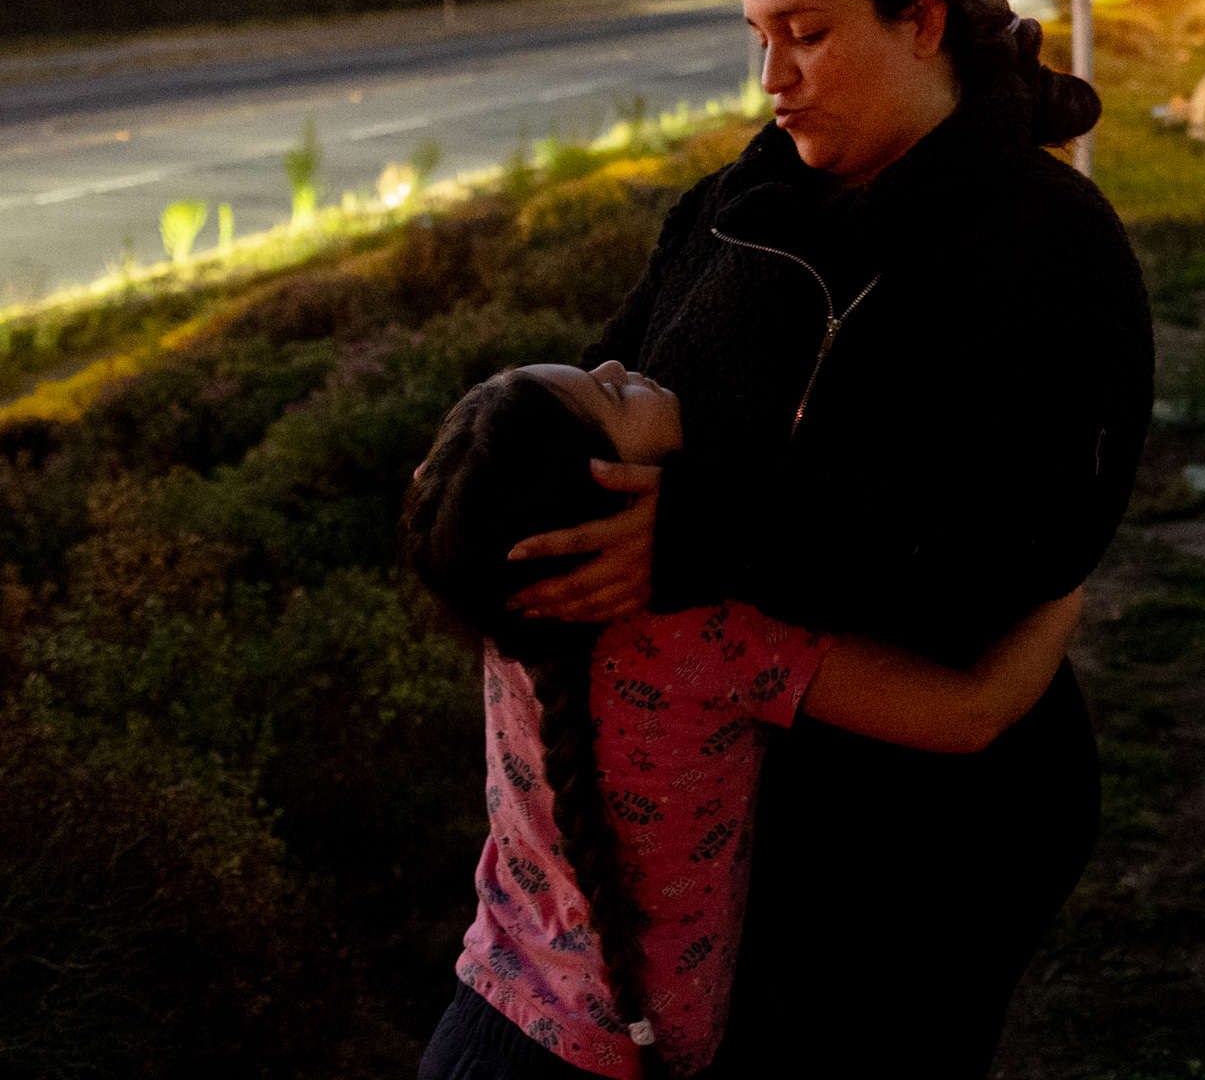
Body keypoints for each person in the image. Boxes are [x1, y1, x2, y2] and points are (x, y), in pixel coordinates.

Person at [504, 0, 1155, 1077]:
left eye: (805, 34)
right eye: (758, 37)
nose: (772, 77)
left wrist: (702, 536)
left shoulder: (1046, 238)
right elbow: (609, 378)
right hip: (717, 799)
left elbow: (1031, 531)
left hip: (929, 825)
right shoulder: (728, 206)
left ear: (922, 20)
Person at [405, 358, 1083, 1079]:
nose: (614, 361)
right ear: (610, 488)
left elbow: (453, 502)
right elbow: (970, 711)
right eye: (608, 391)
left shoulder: (513, 609)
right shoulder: (712, 633)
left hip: (478, 1023)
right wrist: (1066, 583)